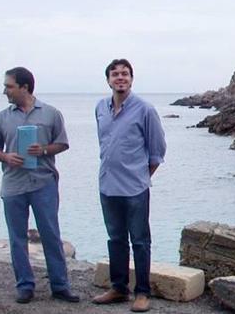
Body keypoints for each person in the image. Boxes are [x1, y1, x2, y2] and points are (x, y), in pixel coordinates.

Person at [0, 67, 80, 304]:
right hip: (13, 186)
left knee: (50, 235)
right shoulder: (2, 118)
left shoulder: (51, 114)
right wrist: (6, 157)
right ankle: (25, 286)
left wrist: (44, 150)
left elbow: (63, 143)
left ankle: (60, 286)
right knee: (17, 238)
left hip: (43, 183)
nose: (4, 90)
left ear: (24, 87)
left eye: (9, 86)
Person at [92, 59, 166, 313]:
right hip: (107, 186)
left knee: (140, 241)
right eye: (115, 74)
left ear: (132, 79)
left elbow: (157, 152)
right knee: (115, 239)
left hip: (135, 188)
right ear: (109, 80)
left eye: (125, 74)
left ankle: (142, 292)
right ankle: (118, 288)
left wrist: (142, 177)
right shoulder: (100, 108)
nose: (120, 78)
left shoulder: (145, 109)